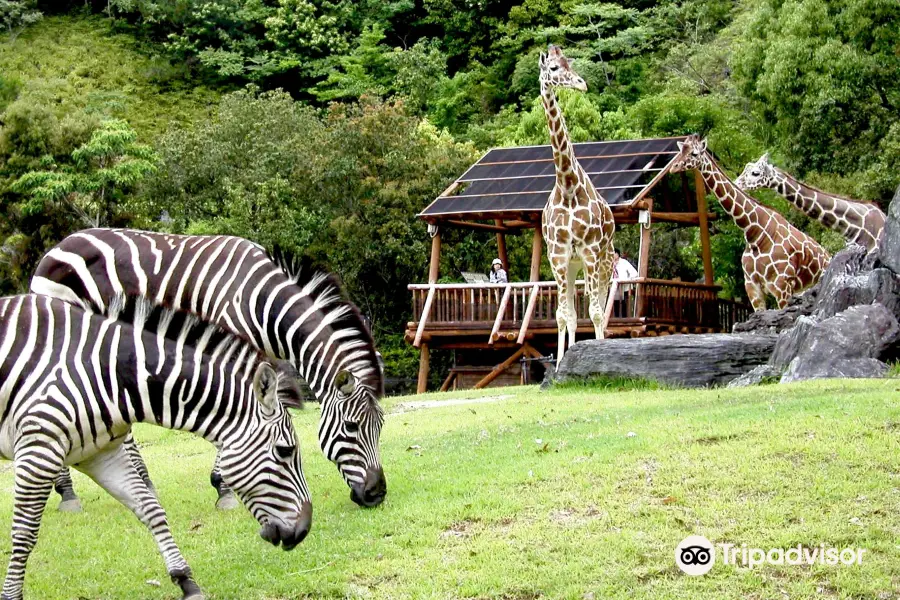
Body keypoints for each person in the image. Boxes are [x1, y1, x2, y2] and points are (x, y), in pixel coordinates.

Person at [612, 248, 637, 317]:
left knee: (624, 304)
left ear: (617, 254)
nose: (613, 255)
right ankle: (616, 319)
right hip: (614, 286)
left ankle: (625, 319)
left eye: (614, 253)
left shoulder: (624, 262)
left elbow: (634, 273)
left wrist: (629, 280)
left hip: (624, 286)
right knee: (615, 303)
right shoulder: (610, 263)